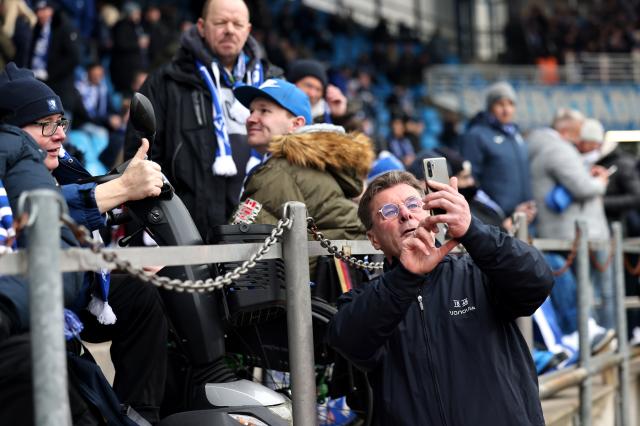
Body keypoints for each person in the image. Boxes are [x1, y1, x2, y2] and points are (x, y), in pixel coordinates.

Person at [0, 62, 167, 424]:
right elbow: (46, 211)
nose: (58, 134)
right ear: (10, 132)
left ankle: (141, 413)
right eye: (44, 124)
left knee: (143, 294)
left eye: (61, 122)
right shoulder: (12, 165)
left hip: (67, 287)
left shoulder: (61, 163)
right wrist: (117, 190)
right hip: (27, 309)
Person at [327, 170, 554, 425]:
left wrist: (472, 230)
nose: (405, 214)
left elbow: (537, 281)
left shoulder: (477, 274)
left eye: (414, 204)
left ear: (430, 214)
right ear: (373, 239)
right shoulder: (367, 300)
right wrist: (405, 277)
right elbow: (348, 339)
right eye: (389, 212)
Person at [124, 0, 280, 239]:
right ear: (201, 26)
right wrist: (154, 231)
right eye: (220, 22)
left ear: (248, 30)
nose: (229, 29)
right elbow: (139, 161)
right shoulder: (166, 82)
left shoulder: (273, 83)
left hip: (260, 233)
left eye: (237, 23)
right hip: (186, 234)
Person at [232, 79, 373, 284]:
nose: (251, 119)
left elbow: (243, 247)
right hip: (339, 294)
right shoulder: (303, 163)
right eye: (251, 111)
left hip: (313, 304)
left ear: (296, 124)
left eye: (264, 111)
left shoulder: (278, 171)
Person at [458, 81, 535, 220]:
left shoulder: (516, 136)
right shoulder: (476, 135)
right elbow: (470, 181)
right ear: (490, 107)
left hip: (523, 217)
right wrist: (494, 213)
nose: (506, 110)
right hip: (495, 222)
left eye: (510, 104)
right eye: (500, 104)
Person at [286, 58, 349, 124]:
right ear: (293, 84)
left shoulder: (324, 115)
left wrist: (338, 117)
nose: (312, 94)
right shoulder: (277, 109)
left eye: (318, 89)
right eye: (308, 85)